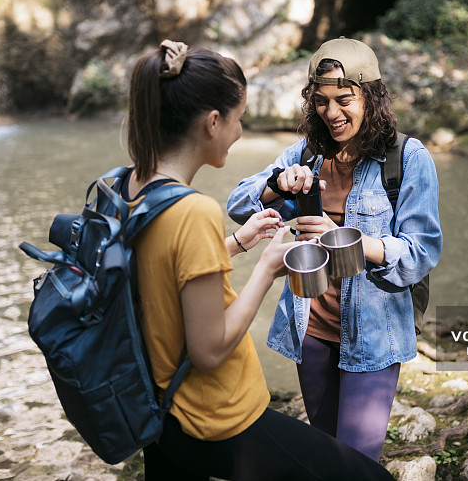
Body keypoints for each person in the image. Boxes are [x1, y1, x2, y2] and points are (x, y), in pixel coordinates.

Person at [124, 39, 394, 480]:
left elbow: (159, 273)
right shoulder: (193, 209)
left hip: (159, 407)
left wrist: (236, 243)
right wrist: (268, 268)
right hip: (215, 413)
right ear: (213, 122)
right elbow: (209, 350)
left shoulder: (128, 186)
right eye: (239, 118)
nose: (241, 131)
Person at [227, 37, 442, 462]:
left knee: (358, 465)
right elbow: (238, 205)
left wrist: (347, 237)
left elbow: (420, 253)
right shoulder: (307, 153)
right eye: (322, 101)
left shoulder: (407, 158)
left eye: (344, 99)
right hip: (311, 332)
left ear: (372, 96)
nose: (332, 113)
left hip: (375, 336)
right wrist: (277, 183)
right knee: (326, 460)